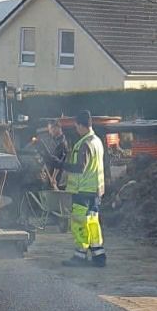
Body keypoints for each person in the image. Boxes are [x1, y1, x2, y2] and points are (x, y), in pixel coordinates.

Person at [62, 109, 106, 267]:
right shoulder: (97, 141)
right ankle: (98, 255)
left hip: (82, 191)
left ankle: (80, 255)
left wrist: (61, 165)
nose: (76, 129)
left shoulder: (85, 143)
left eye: (76, 126)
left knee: (79, 223)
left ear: (81, 125)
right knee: (93, 222)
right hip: (95, 191)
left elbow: (80, 167)